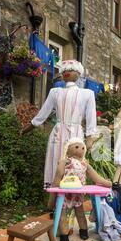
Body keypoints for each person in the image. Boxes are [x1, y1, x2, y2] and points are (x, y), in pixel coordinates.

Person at [21, 60, 97, 211]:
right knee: (56, 166)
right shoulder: (55, 92)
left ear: (78, 74)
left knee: (74, 167)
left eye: (71, 70)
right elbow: (43, 113)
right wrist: (27, 128)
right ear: (62, 75)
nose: (68, 72)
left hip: (76, 136)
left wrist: (90, 138)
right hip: (58, 133)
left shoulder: (87, 94)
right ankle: (54, 204)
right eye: (65, 70)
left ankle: (74, 204)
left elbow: (91, 117)